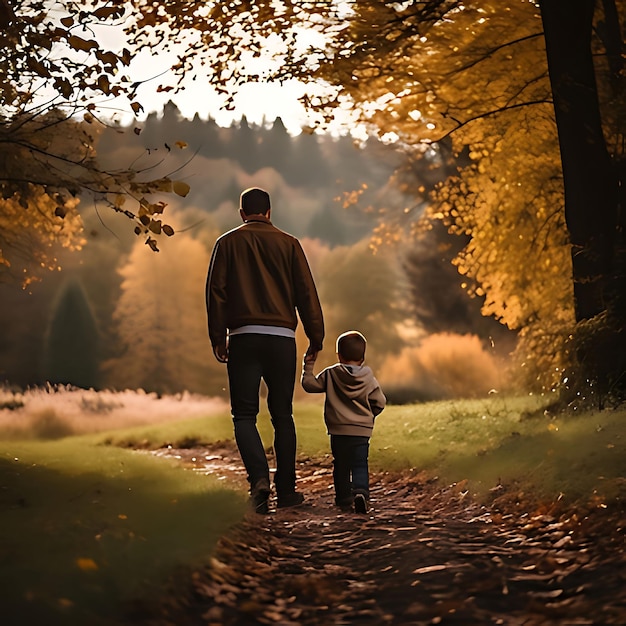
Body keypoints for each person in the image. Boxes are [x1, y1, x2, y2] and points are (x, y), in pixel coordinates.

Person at [206, 187, 324, 514]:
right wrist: (316, 337)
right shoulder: (290, 244)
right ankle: (287, 491)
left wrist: (218, 337)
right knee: (282, 414)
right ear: (270, 213)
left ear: (242, 213)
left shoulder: (226, 243)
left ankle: (259, 479)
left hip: (243, 337)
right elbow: (306, 294)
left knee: (244, 414)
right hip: (281, 338)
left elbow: (216, 293)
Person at [301, 330, 386, 513]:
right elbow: (380, 402)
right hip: (361, 431)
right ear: (362, 358)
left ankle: (343, 498)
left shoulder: (331, 374)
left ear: (339, 355)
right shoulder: (368, 378)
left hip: (338, 430)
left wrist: (308, 366)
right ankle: (361, 492)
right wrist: (369, 416)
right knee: (360, 463)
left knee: (341, 464)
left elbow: (310, 385)